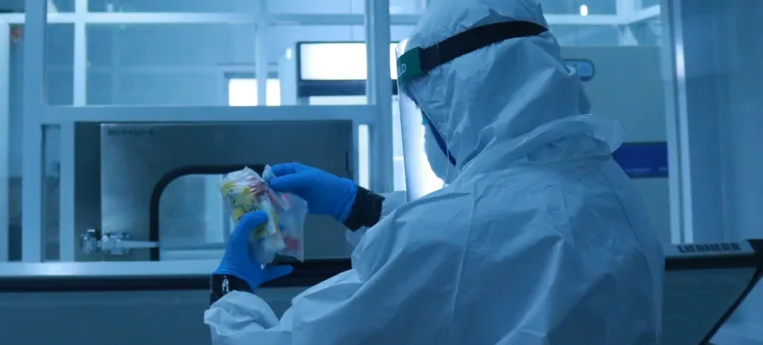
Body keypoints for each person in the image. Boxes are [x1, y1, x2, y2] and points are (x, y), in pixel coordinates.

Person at [204, 0, 665, 344]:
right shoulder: (608, 188)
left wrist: (231, 292)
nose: (427, 128)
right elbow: (494, 238)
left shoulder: (458, 231)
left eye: (428, 112)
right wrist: (362, 206)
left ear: (458, 101)